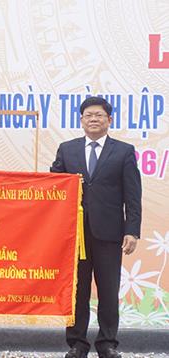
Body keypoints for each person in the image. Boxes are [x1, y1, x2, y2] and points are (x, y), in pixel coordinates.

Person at [51, 97, 142, 358]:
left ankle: (107, 343)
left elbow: (132, 194)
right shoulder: (67, 150)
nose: (93, 119)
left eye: (99, 115)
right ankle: (77, 343)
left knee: (108, 290)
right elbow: (53, 186)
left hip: (110, 233)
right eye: (88, 115)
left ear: (109, 120)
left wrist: (132, 230)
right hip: (74, 234)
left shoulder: (124, 151)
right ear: (81, 120)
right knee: (77, 292)